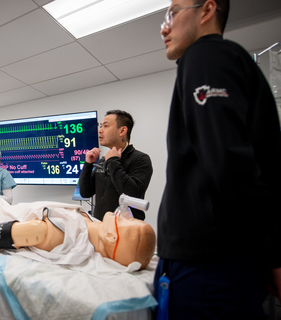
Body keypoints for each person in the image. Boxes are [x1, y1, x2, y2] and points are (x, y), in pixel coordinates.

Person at [155, 0, 281, 319]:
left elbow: (229, 166)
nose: (164, 27)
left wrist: (273, 255)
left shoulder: (206, 55)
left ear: (207, 10)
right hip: (226, 260)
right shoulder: (230, 61)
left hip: (208, 268)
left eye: (173, 13)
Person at [0, 198, 156, 270]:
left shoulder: (55, 233)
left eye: (129, 223)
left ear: (112, 238)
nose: (126, 215)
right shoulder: (90, 223)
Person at [79, 110, 153, 220]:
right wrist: (88, 164)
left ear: (122, 130)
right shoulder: (104, 160)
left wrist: (113, 161)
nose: (100, 130)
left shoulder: (140, 159)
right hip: (101, 227)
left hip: (125, 230)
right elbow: (85, 192)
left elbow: (133, 194)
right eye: (100, 126)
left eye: (105, 126)